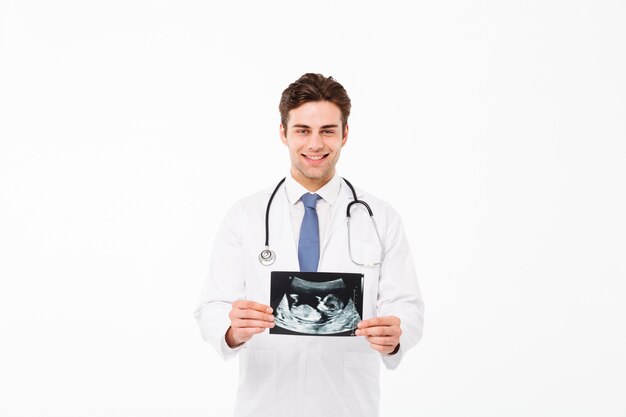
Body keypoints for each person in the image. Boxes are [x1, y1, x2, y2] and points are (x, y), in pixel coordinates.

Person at [194, 73, 424, 417]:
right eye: (303, 130)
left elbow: (409, 307)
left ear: (345, 134)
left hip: (348, 405)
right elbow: (211, 307)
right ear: (283, 133)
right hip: (266, 404)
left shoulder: (380, 217)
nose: (315, 144)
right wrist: (231, 328)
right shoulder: (245, 216)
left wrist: (396, 333)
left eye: (327, 131)